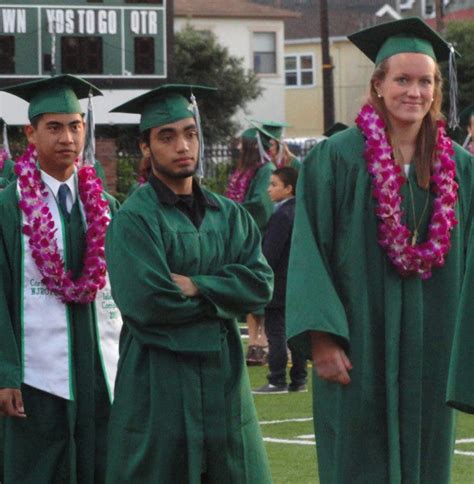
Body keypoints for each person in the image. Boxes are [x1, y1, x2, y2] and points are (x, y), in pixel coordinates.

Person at [286, 17, 474, 483]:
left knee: (427, 455)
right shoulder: (334, 160)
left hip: (434, 337)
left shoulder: (461, 169)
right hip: (357, 338)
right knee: (356, 454)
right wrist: (322, 338)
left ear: (437, 89)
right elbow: (310, 249)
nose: (414, 91)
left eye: (425, 81)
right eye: (402, 80)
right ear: (378, 85)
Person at [106, 84, 273, 483]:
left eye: (190, 133)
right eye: (167, 137)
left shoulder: (231, 216)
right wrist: (224, 303)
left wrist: (198, 286)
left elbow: (261, 283)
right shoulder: (134, 220)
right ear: (145, 147)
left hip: (224, 382)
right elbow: (149, 303)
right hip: (158, 380)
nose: (183, 145)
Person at [0, 75, 122, 483]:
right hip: (35, 377)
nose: (67, 137)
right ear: (30, 133)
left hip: (100, 370)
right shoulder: (7, 206)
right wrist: (5, 372)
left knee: (102, 465)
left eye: (75, 125)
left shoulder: (105, 206)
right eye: (54, 127)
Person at [253, 167, 307, 394]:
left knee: (276, 333)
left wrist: (259, 273)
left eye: (274, 184)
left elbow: (270, 254)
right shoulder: (302, 212)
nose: (269, 189)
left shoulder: (282, 215)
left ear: (288, 188)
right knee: (296, 333)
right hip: (297, 282)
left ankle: (277, 379)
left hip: (279, 283)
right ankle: (299, 379)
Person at [225, 127, 275, 365]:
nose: (240, 150)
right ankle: (254, 344)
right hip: (246, 238)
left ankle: (263, 344)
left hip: (263, 238)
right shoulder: (243, 171)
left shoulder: (266, 170)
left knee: (260, 291)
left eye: (244, 145)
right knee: (247, 289)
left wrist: (233, 211)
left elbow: (262, 205)